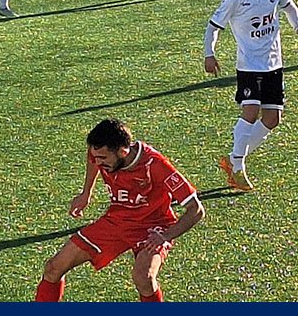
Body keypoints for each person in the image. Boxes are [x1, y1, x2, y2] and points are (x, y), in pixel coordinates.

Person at [35, 118, 204, 302]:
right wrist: (86, 194)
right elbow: (93, 158)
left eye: (103, 158)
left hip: (152, 227)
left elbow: (196, 209)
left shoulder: (155, 165)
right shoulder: (102, 154)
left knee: (143, 278)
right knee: (53, 267)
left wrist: (166, 236)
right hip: (116, 221)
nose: (98, 162)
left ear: (123, 151)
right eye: (96, 156)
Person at [204, 0, 298, 191]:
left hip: (274, 64)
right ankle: (238, 167)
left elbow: (290, 7)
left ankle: (233, 160)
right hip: (249, 66)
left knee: (272, 119)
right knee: (251, 110)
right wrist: (209, 54)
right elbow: (212, 27)